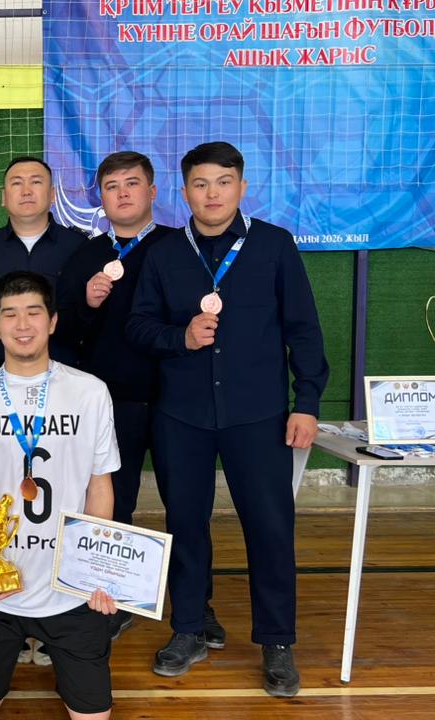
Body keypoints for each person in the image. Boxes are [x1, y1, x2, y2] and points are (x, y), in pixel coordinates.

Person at [127, 141, 328, 697]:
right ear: (183, 191)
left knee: (270, 527)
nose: (211, 194)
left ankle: (277, 641)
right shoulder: (165, 253)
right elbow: (138, 325)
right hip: (182, 415)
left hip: (258, 415)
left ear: (242, 187)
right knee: (185, 525)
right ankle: (189, 628)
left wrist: (307, 403)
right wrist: (181, 337)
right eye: (200, 184)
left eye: (223, 182)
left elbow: (304, 330)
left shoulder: (274, 245)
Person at [0, 271, 121, 720]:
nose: (22, 325)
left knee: (93, 716)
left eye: (34, 313)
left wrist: (96, 572)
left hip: (70, 591)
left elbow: (100, 485)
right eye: (10, 314)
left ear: (53, 322)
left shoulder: (90, 392)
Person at [55, 151, 198, 642]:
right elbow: (64, 331)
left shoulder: (180, 248)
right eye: (111, 186)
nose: (122, 193)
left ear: (153, 192)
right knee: (115, 506)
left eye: (132, 184)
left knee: (187, 510)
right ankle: (113, 600)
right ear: (101, 197)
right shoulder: (86, 255)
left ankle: (196, 610)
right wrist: (87, 303)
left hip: (178, 399)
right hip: (115, 404)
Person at [0, 156, 85, 391]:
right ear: (4, 197)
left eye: (36, 182)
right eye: (16, 183)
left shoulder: (79, 248)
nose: (26, 191)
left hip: (65, 382)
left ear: (52, 195)